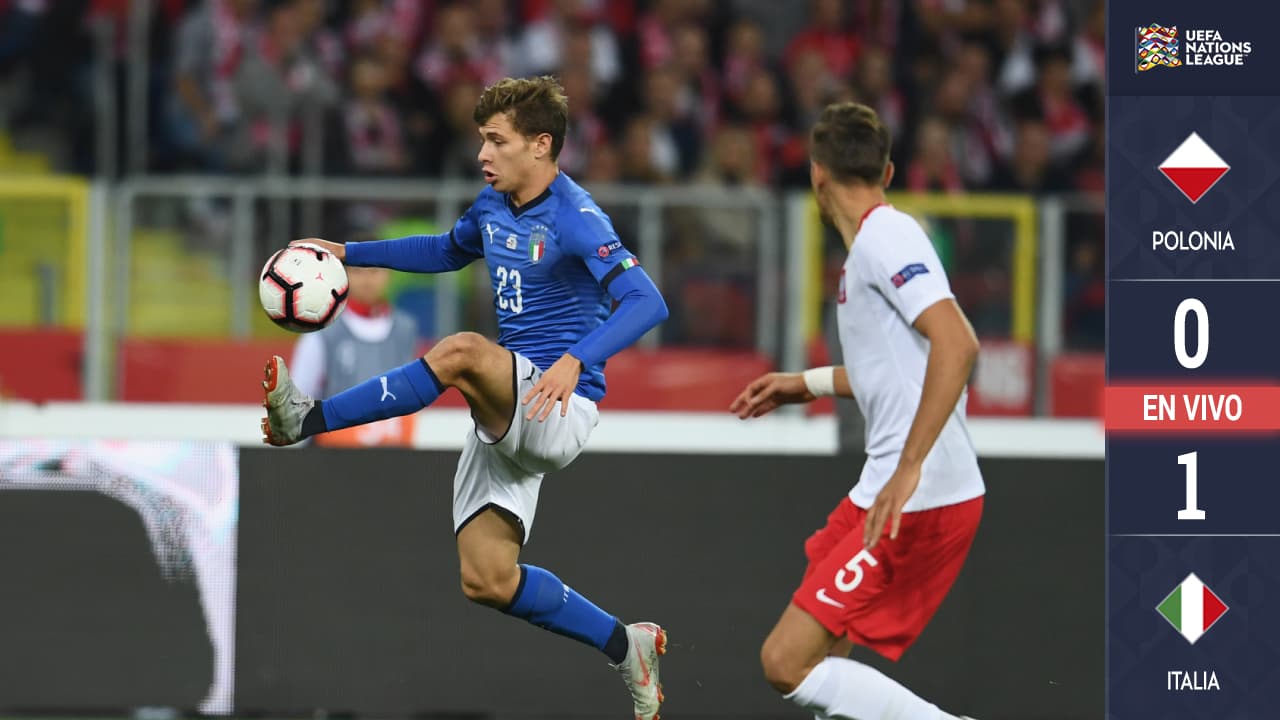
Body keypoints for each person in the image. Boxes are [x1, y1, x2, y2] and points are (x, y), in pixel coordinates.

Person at [260, 76, 670, 719]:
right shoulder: (491, 206)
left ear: (540, 145)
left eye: (496, 141)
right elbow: (446, 251)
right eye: (481, 139)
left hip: (560, 405)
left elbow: (648, 300)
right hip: (510, 414)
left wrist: (575, 360)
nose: (482, 154)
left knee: (460, 352)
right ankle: (627, 645)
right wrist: (348, 252)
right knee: (487, 579)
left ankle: (306, 417)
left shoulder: (576, 216)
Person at [730, 102, 984, 720]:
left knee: (785, 662)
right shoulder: (874, 245)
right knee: (825, 651)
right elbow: (896, 370)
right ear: (889, 170)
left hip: (919, 495)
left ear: (816, 175)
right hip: (889, 487)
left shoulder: (886, 238)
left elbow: (958, 343)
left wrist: (909, 467)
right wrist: (808, 383)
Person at [288, 235, 420, 446]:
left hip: (393, 461)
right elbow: (295, 409)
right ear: (344, 274)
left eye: (375, 270)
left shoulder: (406, 330)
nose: (367, 279)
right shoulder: (321, 332)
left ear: (389, 274)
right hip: (335, 463)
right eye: (358, 270)